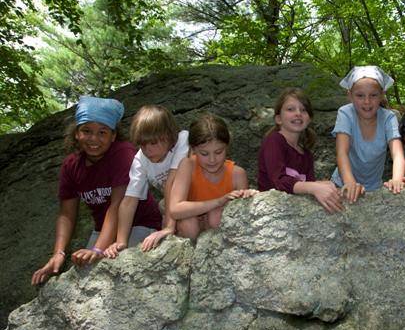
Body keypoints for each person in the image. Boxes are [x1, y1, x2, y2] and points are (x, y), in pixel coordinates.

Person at [31, 96, 162, 285]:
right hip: (103, 229)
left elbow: (117, 205)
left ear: (113, 135)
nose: (94, 139)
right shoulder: (71, 166)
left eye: (102, 132)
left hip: (139, 224)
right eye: (86, 131)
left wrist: (98, 250)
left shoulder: (123, 154)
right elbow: (66, 214)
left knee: (116, 277)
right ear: (77, 133)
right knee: (84, 278)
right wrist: (59, 253)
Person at [105, 105, 190, 258]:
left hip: (198, 196)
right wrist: (121, 241)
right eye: (142, 144)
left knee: (185, 228)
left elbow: (173, 181)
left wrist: (168, 227)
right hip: (173, 205)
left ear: (170, 135)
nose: (147, 150)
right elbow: (129, 201)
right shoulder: (141, 159)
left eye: (153, 143)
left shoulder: (183, 139)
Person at [169, 114, 256, 240]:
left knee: (215, 216)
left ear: (227, 147)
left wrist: (248, 197)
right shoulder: (187, 165)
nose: (212, 160)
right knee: (190, 224)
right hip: (192, 227)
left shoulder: (237, 174)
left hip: (219, 230)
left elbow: (241, 214)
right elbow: (175, 209)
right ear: (193, 149)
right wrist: (218, 202)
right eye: (204, 153)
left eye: (218, 152)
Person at [257, 88, 344, 213]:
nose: (298, 113)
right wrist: (313, 187)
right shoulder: (274, 141)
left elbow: (307, 184)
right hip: (270, 211)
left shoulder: (306, 154)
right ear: (278, 119)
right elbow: (278, 181)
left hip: (294, 211)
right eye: (290, 109)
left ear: (309, 119)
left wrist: (322, 185)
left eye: (303, 110)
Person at [330, 65, 405, 204]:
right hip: (342, 184)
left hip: (374, 188)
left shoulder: (388, 118)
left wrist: (397, 179)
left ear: (382, 95)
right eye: (360, 96)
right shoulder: (345, 113)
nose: (367, 101)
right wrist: (350, 183)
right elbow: (342, 152)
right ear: (350, 96)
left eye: (373, 95)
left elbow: (398, 154)